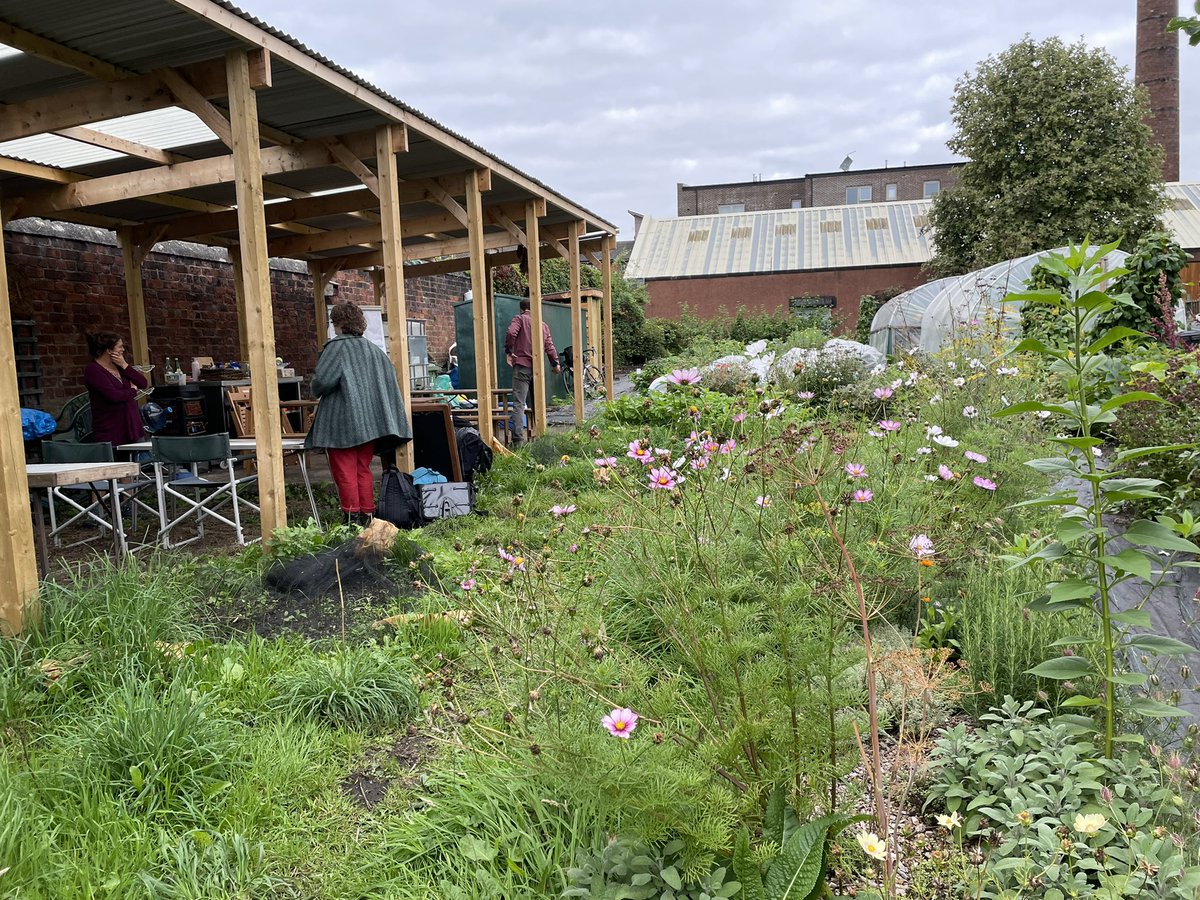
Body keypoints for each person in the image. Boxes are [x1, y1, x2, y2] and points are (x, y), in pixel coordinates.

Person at [306, 302, 412, 526]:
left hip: (341, 422)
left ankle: (351, 519)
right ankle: (368, 516)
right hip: (369, 424)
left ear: (337, 323)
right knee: (362, 468)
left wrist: (314, 387)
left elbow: (322, 383)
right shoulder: (374, 351)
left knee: (344, 470)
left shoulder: (336, 348)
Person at [504, 298, 560, 447]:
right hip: (537, 370)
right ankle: (540, 436)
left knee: (519, 404)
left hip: (521, 367)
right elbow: (550, 347)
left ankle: (518, 441)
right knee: (538, 404)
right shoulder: (543, 325)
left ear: (521, 309)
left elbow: (511, 333)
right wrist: (555, 364)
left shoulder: (519, 319)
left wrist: (509, 351)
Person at [84, 330, 147, 446]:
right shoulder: (93, 370)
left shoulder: (120, 366)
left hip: (132, 427)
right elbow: (114, 396)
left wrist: (125, 365)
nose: (123, 350)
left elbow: (143, 383)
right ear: (108, 350)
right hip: (111, 430)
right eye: (120, 347)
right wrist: (133, 391)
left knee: (141, 462)